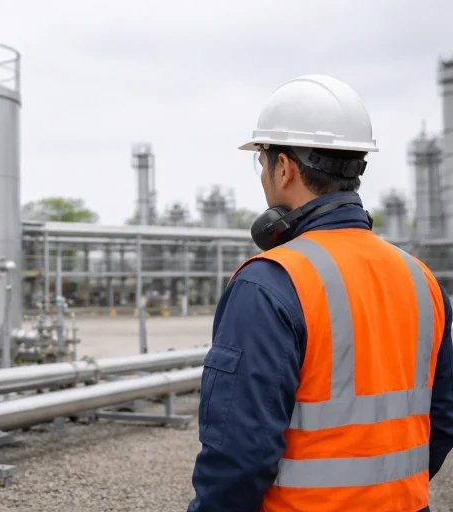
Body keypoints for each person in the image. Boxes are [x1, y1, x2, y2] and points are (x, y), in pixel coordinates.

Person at [187, 74, 453, 512]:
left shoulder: (270, 283)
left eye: (263, 163)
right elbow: (441, 418)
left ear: (285, 168)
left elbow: (238, 456)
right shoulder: (421, 279)